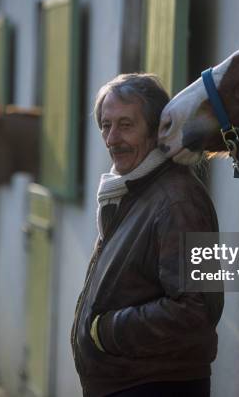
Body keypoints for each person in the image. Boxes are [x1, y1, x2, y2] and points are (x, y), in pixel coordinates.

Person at [71, 73, 223, 397]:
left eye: (126, 125)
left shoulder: (179, 201)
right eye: (105, 125)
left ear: (156, 131)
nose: (112, 138)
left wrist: (106, 330)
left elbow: (196, 312)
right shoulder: (134, 191)